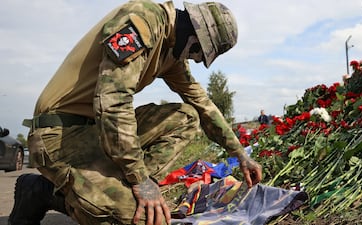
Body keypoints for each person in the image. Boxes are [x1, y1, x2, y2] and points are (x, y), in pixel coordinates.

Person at [9, 0, 262, 225]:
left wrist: (240, 154)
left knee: (186, 117)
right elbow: (114, 102)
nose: (195, 61)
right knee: (138, 218)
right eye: (199, 55)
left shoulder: (171, 53)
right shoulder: (143, 20)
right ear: (195, 39)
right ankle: (41, 192)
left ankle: (123, 190)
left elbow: (201, 103)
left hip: (94, 132)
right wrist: (140, 179)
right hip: (58, 136)